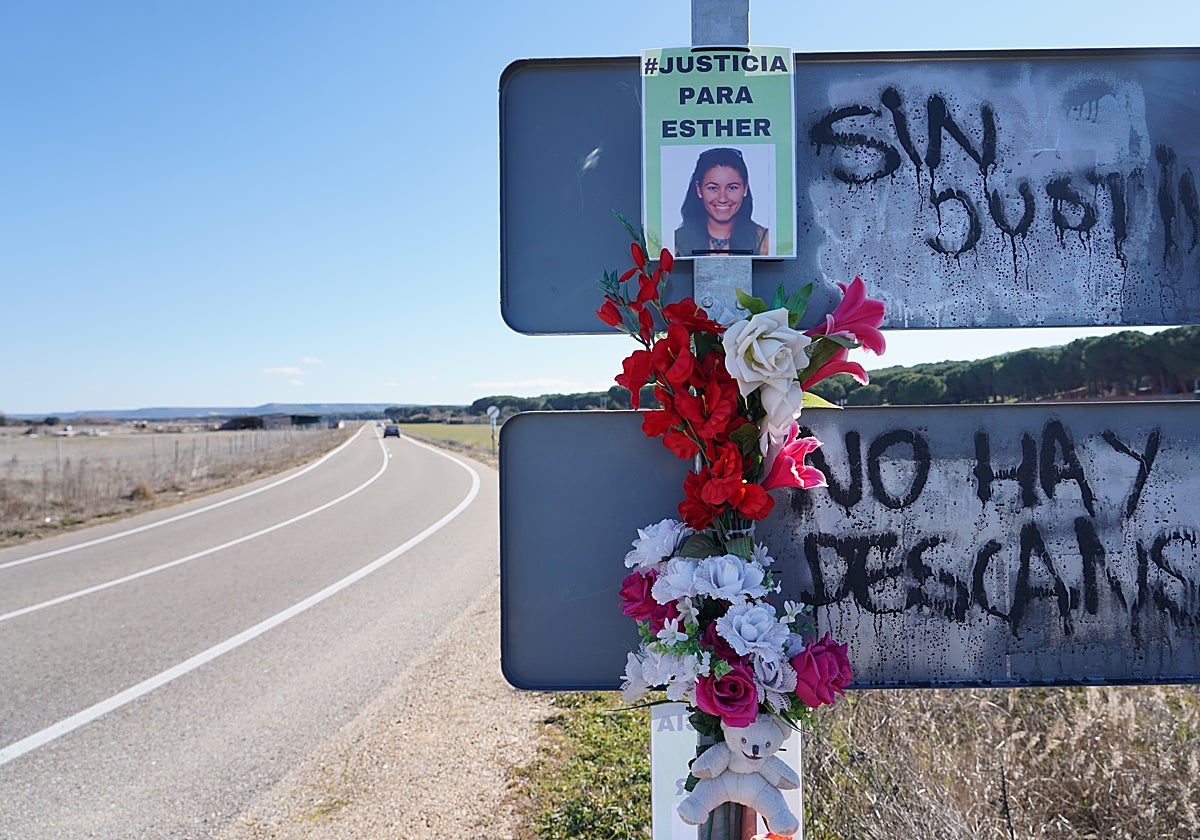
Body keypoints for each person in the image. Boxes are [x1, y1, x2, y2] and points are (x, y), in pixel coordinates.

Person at [673, 147, 769, 256]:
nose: (722, 198)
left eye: (732, 188)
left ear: (745, 188)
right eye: (713, 188)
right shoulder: (676, 241)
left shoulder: (764, 240)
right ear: (699, 190)